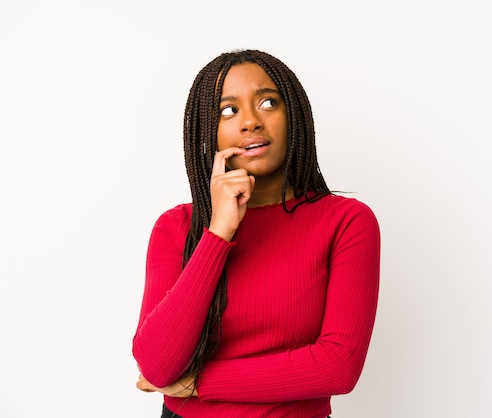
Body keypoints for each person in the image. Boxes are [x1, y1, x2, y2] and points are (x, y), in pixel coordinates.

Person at [133, 49, 380, 418]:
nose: (250, 121)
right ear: (209, 131)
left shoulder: (346, 222)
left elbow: (337, 367)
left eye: (267, 102)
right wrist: (218, 232)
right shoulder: (176, 228)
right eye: (228, 110)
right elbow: (156, 367)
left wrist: (198, 384)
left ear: (294, 115)